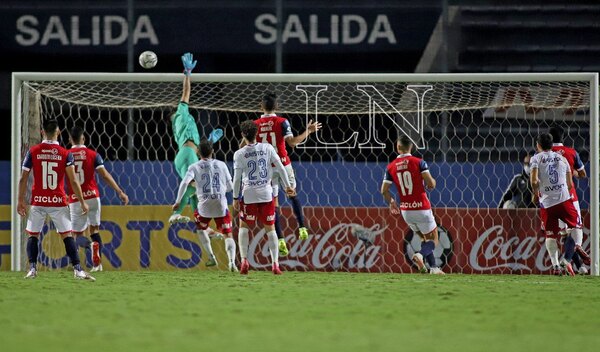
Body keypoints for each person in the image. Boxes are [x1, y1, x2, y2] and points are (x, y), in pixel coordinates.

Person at [242, 92, 321, 256]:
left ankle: (281, 240)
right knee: (292, 194)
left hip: (265, 170)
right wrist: (308, 131)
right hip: (283, 164)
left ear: (260, 106)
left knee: (274, 202)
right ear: (277, 106)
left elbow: (243, 145)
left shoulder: (255, 124)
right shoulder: (282, 122)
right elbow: (292, 143)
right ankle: (302, 227)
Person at [17, 119, 94, 280]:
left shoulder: (33, 151)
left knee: (33, 235)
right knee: (67, 236)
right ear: (58, 132)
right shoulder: (66, 153)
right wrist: (82, 201)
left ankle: (32, 268)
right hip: (58, 202)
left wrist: (20, 201)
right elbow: (73, 181)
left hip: (38, 201)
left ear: (42, 132)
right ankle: (78, 269)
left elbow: (23, 178)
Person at [233, 120, 295, 275]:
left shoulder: (239, 154)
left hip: (248, 195)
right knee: (270, 229)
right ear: (257, 134)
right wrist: (288, 186)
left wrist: (235, 198)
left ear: (243, 135)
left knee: (244, 227)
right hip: (266, 194)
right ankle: (275, 265)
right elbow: (280, 167)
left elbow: (237, 179)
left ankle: (244, 261)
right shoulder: (267, 148)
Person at [168, 52, 224, 224]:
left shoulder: (186, 125)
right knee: (193, 185)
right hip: (186, 153)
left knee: (195, 194)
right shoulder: (181, 114)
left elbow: (200, 149)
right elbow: (186, 92)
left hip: (185, 154)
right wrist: (187, 73)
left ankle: (202, 226)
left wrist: (210, 141)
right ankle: (176, 212)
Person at [67, 126, 129, 272]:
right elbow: (105, 175)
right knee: (94, 230)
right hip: (93, 197)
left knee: (76, 235)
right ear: (84, 138)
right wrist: (120, 192)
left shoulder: (66, 155)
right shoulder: (93, 154)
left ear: (70, 139)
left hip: (77, 198)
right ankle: (98, 264)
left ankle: (84, 254)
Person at [380, 135, 444, 275]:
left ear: (397, 148)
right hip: (421, 207)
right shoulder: (419, 162)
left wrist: (391, 203)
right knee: (434, 239)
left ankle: (433, 268)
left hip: (406, 210)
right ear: (411, 147)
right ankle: (420, 255)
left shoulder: (390, 167)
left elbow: (383, 190)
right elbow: (431, 183)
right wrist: (431, 182)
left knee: (423, 238)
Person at [172, 139, 237, 271]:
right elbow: (231, 187)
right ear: (212, 151)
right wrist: (220, 189)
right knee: (228, 235)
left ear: (197, 152)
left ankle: (211, 257)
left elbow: (184, 183)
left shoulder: (194, 167)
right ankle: (231, 263)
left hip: (204, 208)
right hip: (220, 206)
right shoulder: (222, 164)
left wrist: (178, 201)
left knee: (201, 229)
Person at [530, 133, 581, 276]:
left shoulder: (536, 159)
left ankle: (555, 265)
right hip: (564, 200)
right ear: (552, 146)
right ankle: (572, 254)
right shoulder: (562, 158)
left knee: (550, 235)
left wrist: (536, 194)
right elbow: (570, 184)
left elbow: (534, 181)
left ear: (538, 145)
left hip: (547, 204)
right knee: (576, 227)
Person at [549, 126, 590, 274]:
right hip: (570, 197)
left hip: (551, 199)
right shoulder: (571, 152)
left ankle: (578, 267)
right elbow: (582, 174)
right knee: (576, 230)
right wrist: (572, 172)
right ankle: (566, 260)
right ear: (563, 137)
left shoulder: (543, 154)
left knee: (564, 234)